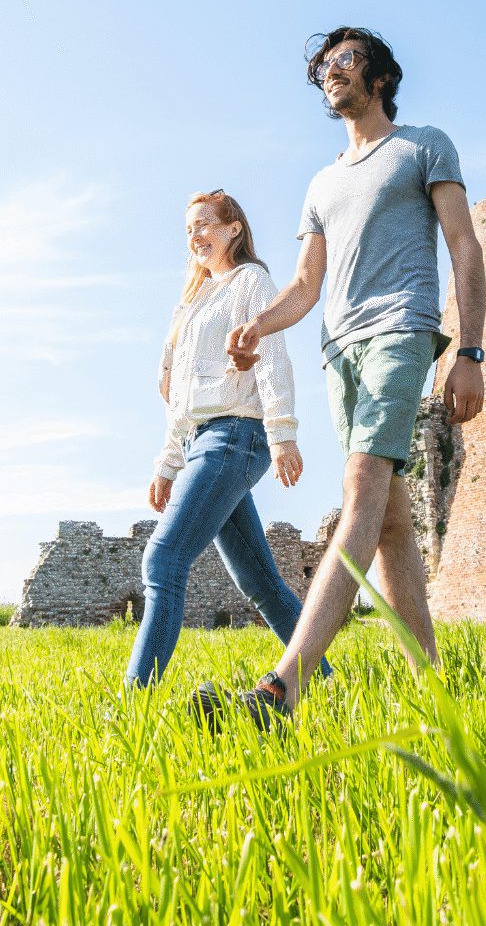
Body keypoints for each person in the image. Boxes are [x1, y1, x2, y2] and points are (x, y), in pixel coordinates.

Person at [194, 26, 486, 727]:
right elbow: (304, 284)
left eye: (345, 61)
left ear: (379, 77)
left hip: (401, 331)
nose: (332, 72)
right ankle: (434, 689)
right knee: (387, 523)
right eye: (324, 66)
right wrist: (258, 326)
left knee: (359, 493)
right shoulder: (322, 183)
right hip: (339, 352)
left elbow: (465, 248)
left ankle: (280, 692)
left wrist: (469, 352)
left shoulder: (423, 147)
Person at [126, 190, 326, 688]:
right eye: (188, 229)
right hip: (203, 440)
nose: (194, 236)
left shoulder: (250, 282)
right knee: (258, 581)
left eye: (204, 225)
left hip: (237, 435)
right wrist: (168, 463)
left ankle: (135, 700)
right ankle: (322, 680)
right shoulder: (193, 303)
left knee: (164, 557)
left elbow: (272, 354)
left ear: (233, 228)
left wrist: (282, 434)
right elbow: (182, 398)